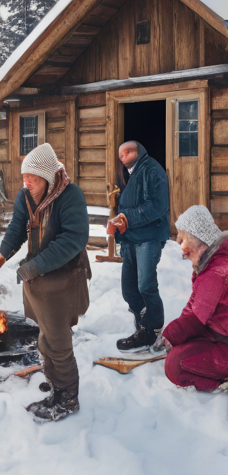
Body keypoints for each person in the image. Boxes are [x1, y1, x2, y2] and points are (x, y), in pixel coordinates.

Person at [0, 143, 91, 422]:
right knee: (45, 334)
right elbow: (17, 228)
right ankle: (56, 383)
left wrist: (35, 266)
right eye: (24, 177)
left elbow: (73, 239)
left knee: (57, 339)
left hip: (65, 275)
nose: (27, 182)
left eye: (32, 177)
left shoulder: (71, 196)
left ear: (48, 176)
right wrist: (2, 254)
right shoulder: (27, 196)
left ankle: (67, 398)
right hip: (39, 274)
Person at [107, 141, 170, 351]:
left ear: (140, 151)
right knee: (129, 291)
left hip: (149, 238)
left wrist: (126, 218)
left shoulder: (152, 169)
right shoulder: (132, 174)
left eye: (128, 151)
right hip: (132, 240)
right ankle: (144, 327)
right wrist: (118, 225)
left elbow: (158, 206)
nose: (123, 156)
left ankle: (152, 331)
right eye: (121, 154)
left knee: (146, 286)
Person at [160, 206, 228, 392]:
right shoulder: (211, 262)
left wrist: (170, 335)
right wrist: (174, 333)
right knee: (182, 347)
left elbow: (197, 319)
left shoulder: (216, 271)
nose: (180, 247)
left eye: (182, 238)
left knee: (175, 365)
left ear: (199, 240)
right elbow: (193, 305)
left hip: (223, 339)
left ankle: (219, 383)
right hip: (218, 333)